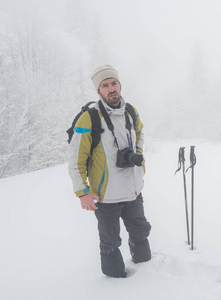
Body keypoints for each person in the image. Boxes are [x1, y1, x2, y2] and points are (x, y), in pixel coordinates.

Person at [68, 65, 151, 278]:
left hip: (133, 190)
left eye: (114, 83)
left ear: (120, 85)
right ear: (99, 91)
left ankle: (147, 272)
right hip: (105, 196)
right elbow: (75, 161)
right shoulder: (89, 119)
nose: (111, 88)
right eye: (105, 85)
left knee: (140, 232)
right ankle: (114, 283)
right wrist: (82, 192)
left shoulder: (131, 112)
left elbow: (140, 133)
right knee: (110, 242)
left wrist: (138, 152)